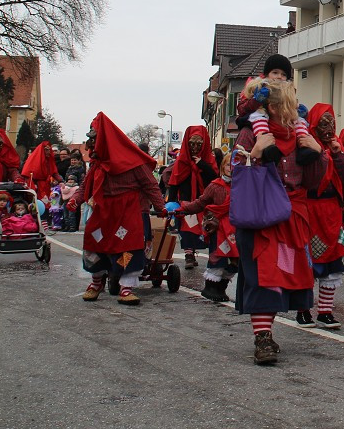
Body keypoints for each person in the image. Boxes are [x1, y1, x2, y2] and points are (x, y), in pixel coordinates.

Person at [232, 78, 317, 364]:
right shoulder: (249, 132)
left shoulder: (300, 134)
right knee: (263, 276)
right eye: (287, 102)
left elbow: (314, 182)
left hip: (292, 215)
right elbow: (233, 175)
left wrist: (319, 154)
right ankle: (263, 338)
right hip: (261, 217)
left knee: (281, 276)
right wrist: (254, 156)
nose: (291, 108)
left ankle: (266, 332)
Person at [66, 113, 167, 306]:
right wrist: (76, 201)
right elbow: (85, 186)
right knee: (94, 242)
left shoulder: (132, 161)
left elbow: (150, 185)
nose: (91, 144)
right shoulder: (97, 163)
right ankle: (96, 283)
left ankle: (126, 286)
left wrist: (161, 207)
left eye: (94, 139)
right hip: (103, 209)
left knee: (128, 246)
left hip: (127, 211)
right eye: (90, 139)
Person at [299, 103, 344, 330]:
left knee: (334, 262)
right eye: (323, 124)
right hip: (310, 209)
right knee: (307, 263)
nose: (327, 129)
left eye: (331, 124)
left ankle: (325, 311)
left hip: (332, 213)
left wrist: (337, 153)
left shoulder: (338, 147)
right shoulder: (303, 143)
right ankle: (303, 310)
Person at [178, 151, 239, 302]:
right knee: (218, 258)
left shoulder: (242, 186)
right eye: (226, 164)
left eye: (233, 164)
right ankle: (211, 288)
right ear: (222, 167)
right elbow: (201, 203)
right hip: (218, 228)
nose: (229, 168)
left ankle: (221, 288)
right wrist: (183, 209)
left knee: (234, 261)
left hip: (235, 228)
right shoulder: (215, 185)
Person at [165, 126, 219, 270]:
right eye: (192, 144)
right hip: (186, 199)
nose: (195, 148)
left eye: (198, 145)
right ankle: (189, 254)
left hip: (204, 200)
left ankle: (205, 253)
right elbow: (174, 181)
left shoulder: (208, 160)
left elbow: (214, 177)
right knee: (187, 227)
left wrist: (201, 163)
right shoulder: (182, 161)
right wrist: (171, 201)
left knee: (205, 228)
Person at [21, 142, 62, 225]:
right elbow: (28, 174)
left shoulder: (49, 161)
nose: (48, 152)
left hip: (46, 186)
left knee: (47, 203)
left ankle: (45, 222)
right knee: (39, 203)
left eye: (49, 150)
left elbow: (54, 172)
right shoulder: (34, 161)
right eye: (46, 150)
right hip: (37, 186)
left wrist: (61, 181)